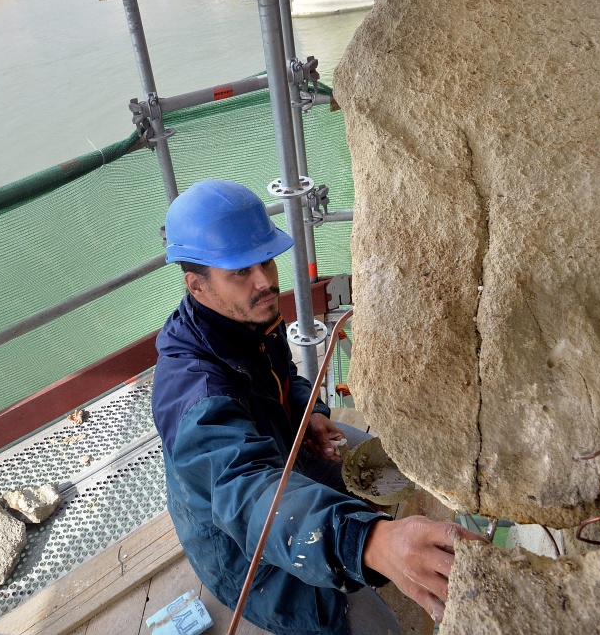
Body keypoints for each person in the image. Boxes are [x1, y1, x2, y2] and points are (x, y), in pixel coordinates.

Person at [152, 179, 482, 635]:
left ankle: (381, 547)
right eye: (240, 272)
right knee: (379, 631)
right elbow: (248, 493)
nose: (265, 281)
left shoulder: (247, 316)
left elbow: (286, 377)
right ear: (197, 286)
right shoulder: (194, 395)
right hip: (243, 548)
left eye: (265, 260)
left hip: (288, 456)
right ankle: (371, 548)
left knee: (399, 465)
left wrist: (312, 412)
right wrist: (366, 539)